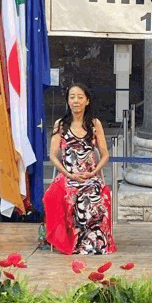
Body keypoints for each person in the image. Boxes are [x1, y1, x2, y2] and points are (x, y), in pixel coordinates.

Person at [43, 83, 116, 255]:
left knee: (96, 193)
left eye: (80, 97)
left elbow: (105, 155)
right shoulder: (60, 125)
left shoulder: (94, 124)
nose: (76, 101)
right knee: (69, 193)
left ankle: (96, 242)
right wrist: (67, 173)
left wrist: (93, 172)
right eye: (72, 97)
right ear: (68, 101)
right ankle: (75, 242)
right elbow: (53, 155)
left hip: (90, 176)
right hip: (68, 176)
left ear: (87, 101)